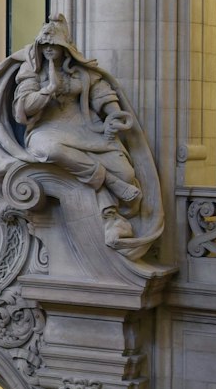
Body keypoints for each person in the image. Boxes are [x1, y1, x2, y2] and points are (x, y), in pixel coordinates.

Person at [8, 14, 143, 246]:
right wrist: (48, 90)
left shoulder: (81, 73)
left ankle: (115, 205)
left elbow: (103, 95)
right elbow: (23, 110)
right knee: (52, 151)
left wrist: (113, 116)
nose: (49, 48)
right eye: (45, 44)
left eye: (54, 44)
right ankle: (109, 199)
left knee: (127, 174)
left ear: (65, 47)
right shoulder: (32, 71)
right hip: (46, 130)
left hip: (84, 130)